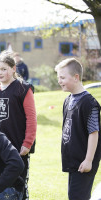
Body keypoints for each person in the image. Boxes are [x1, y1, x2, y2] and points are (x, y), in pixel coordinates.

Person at [0, 50, 37, 200]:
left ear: (13, 69)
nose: (0, 72)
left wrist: (28, 143)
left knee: (19, 184)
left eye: (4, 69)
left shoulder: (23, 88)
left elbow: (31, 117)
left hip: (18, 146)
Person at [55, 58, 101, 200]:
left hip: (84, 161)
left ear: (76, 77)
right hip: (73, 161)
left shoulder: (89, 103)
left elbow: (94, 133)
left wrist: (88, 160)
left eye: (62, 77)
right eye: (58, 78)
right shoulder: (68, 100)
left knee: (78, 196)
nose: (59, 81)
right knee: (74, 195)